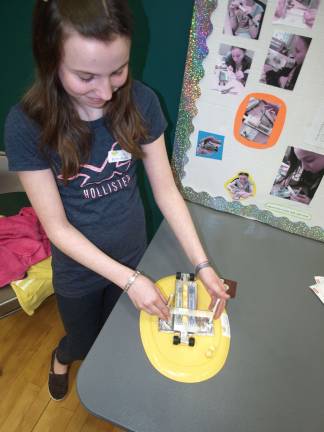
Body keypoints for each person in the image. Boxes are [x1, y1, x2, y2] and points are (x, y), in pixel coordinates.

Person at [4, 0, 229, 401]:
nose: (105, 92)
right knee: (85, 342)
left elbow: (165, 190)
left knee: (120, 337)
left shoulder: (140, 101)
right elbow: (57, 228)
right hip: (79, 271)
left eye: (118, 71)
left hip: (134, 253)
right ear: (49, 57)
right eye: (86, 76)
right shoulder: (27, 123)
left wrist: (203, 265)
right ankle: (61, 355)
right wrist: (130, 281)